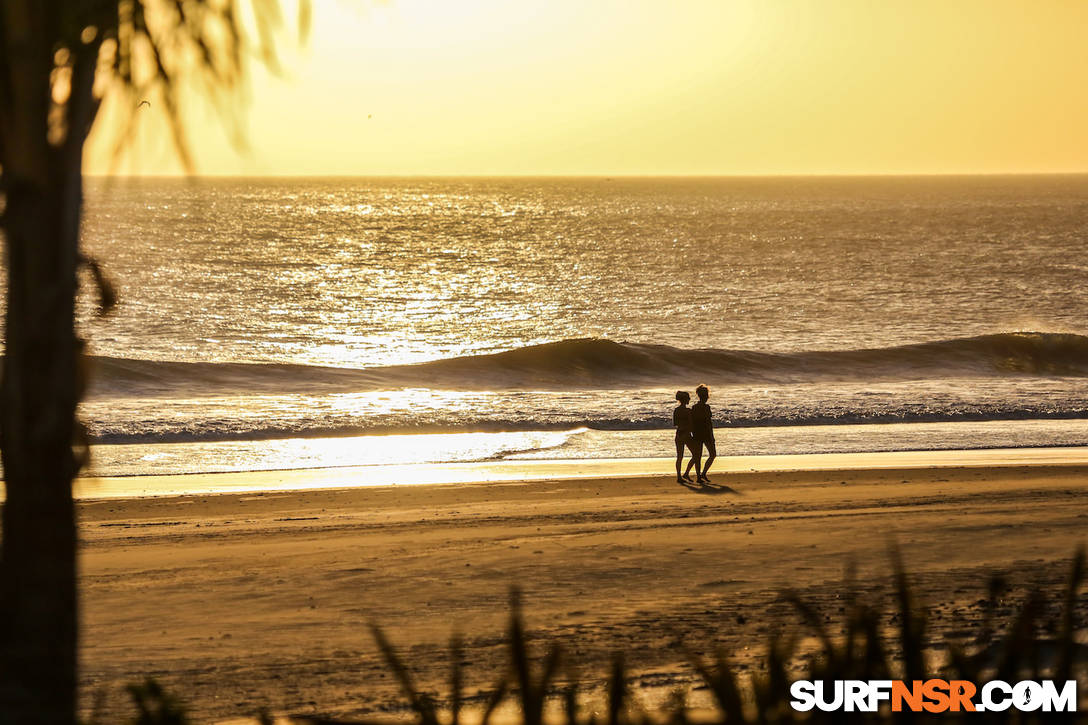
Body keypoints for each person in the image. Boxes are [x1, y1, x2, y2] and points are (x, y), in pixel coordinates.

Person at [687, 384, 716, 483]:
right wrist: (712, 436)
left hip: (697, 434)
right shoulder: (706, 408)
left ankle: (698, 475)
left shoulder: (694, 408)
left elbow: (692, 422)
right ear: (705, 396)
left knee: (697, 456)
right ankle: (701, 474)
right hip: (705, 434)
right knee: (712, 454)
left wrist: (692, 432)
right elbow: (709, 423)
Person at [672, 390, 696, 483]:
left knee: (679, 456)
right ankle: (686, 473)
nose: (689, 399)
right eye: (688, 398)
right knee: (695, 454)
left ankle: (679, 476)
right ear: (685, 400)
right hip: (686, 434)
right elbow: (691, 425)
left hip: (678, 433)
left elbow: (675, 423)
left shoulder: (676, 410)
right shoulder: (688, 411)